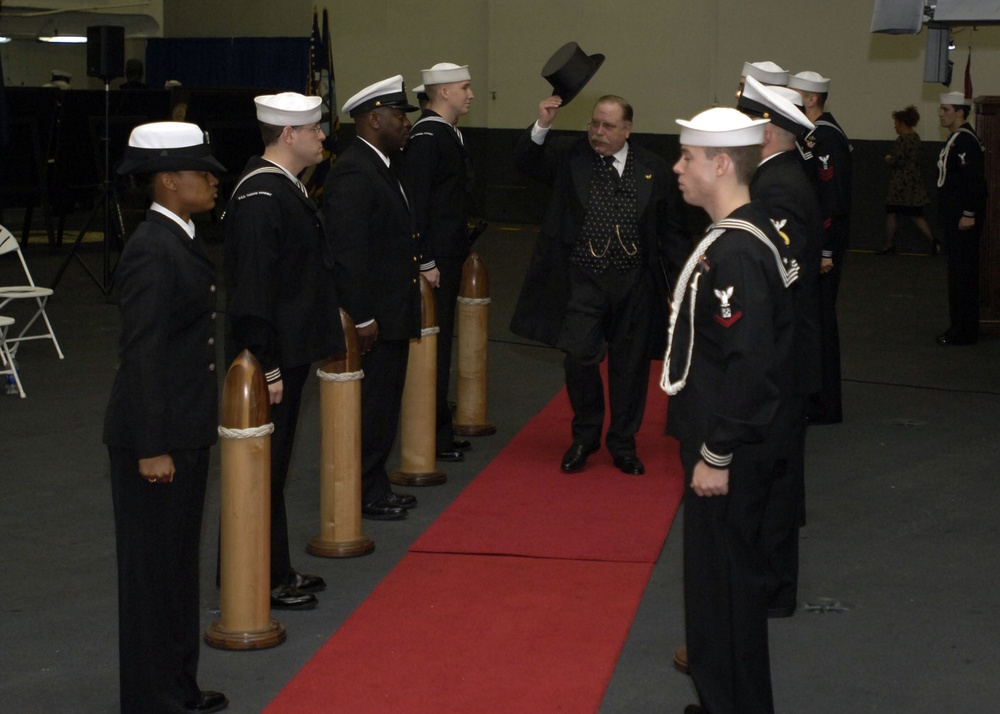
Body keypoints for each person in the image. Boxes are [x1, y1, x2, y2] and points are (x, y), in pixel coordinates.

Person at [663, 107, 797, 714]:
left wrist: (716, 453)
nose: (678, 168)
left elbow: (750, 366)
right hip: (731, 439)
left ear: (720, 164)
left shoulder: (737, 252)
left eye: (687, 157)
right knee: (720, 587)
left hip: (730, 449)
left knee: (725, 587)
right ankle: (725, 700)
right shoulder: (744, 233)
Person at [104, 121, 229, 713]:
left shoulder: (178, 237)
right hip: (155, 438)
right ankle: (151, 700)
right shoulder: (153, 249)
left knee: (179, 569)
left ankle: (177, 688)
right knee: (152, 577)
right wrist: (153, 446)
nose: (211, 181)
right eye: (201, 172)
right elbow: (143, 355)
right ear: (168, 180)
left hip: (184, 429)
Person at [510, 93, 688, 476]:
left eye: (608, 126)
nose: (598, 132)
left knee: (631, 365)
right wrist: (542, 124)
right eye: (594, 123)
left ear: (628, 129)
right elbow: (525, 162)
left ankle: (623, 443)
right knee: (578, 357)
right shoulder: (569, 157)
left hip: (634, 282)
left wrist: (683, 285)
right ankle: (585, 436)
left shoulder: (654, 169)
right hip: (583, 279)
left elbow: (671, 234)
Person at [223, 92, 345, 609]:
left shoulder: (282, 189)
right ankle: (256, 579)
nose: (322, 137)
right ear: (289, 135)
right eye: (315, 129)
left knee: (273, 469)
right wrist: (267, 365)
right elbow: (253, 292)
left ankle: (274, 568)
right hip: (270, 358)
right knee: (261, 471)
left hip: (287, 353)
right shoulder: (261, 196)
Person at [324, 75, 422, 521]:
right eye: (399, 115)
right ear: (372, 119)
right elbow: (348, 252)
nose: (405, 124)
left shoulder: (381, 163)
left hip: (391, 310)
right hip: (374, 317)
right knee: (373, 406)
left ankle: (374, 482)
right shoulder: (353, 169)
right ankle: (363, 490)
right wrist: (361, 316)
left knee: (383, 406)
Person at [401, 62, 476, 463]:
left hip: (447, 255)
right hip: (434, 262)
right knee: (434, 347)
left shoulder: (445, 133)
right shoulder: (428, 136)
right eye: (465, 87)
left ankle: (439, 431)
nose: (471, 94)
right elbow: (417, 203)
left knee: (441, 345)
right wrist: (424, 259)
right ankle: (429, 434)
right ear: (443, 92)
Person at [788, 70, 851, 425]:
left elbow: (832, 198)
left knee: (822, 323)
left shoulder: (826, 137)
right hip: (817, 241)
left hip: (825, 243)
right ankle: (817, 397)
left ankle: (826, 404)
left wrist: (825, 250)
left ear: (811, 99)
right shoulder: (814, 134)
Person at [935, 91, 987, 346]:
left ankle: (964, 331)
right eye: (941, 109)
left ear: (960, 113)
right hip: (954, 219)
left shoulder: (965, 141)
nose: (941, 114)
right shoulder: (956, 139)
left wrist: (968, 213)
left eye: (946, 110)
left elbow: (974, 182)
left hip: (963, 221)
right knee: (957, 275)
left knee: (963, 277)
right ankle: (960, 326)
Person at [878, 105, 937, 255]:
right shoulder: (916, 138)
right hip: (914, 183)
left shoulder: (902, 140)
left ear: (902, 124)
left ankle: (888, 245)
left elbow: (899, 160)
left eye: (896, 124)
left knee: (891, 213)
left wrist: (889, 159)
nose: (895, 127)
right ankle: (934, 241)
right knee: (916, 215)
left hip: (900, 184)